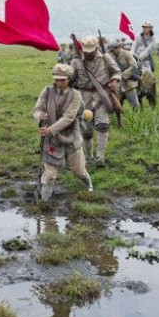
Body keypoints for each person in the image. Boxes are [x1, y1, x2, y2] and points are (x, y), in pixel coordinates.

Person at [33, 63, 93, 201]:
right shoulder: (47, 92)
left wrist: (50, 129)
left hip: (71, 136)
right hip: (51, 140)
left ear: (69, 79)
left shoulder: (75, 95)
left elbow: (69, 118)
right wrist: (39, 115)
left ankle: (89, 184)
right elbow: (36, 109)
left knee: (78, 170)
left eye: (63, 80)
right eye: (56, 79)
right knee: (50, 174)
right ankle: (44, 202)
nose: (59, 82)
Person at [70, 35, 121, 167]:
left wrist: (114, 81)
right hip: (83, 98)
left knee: (103, 126)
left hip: (102, 96)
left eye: (90, 50)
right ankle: (88, 157)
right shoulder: (76, 62)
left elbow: (116, 72)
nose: (88, 53)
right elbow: (70, 80)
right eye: (85, 51)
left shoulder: (105, 58)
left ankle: (100, 158)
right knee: (86, 131)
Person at [108, 41, 140, 110]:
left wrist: (122, 75)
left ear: (118, 48)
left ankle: (138, 119)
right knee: (116, 104)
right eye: (110, 51)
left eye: (113, 50)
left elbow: (134, 66)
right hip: (117, 85)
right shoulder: (111, 56)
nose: (112, 52)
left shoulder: (126, 54)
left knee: (134, 105)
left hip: (128, 84)